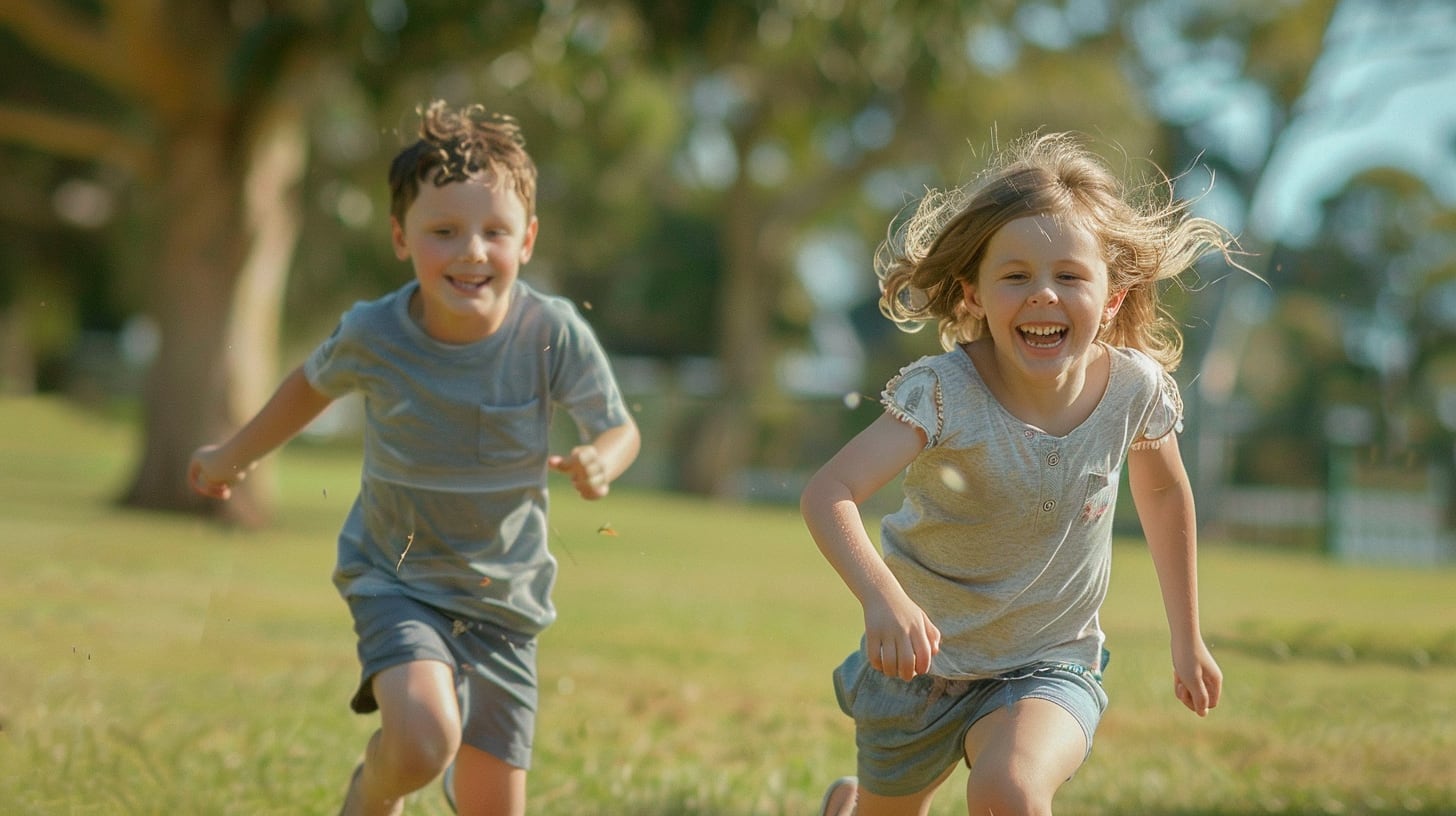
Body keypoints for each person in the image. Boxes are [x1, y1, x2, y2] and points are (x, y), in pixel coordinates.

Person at [188, 100, 641, 816]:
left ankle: (442, 765)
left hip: (505, 604)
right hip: (397, 579)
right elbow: (308, 388)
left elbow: (618, 428)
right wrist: (230, 457)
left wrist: (602, 460)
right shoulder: (376, 333)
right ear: (401, 237)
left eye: (495, 231)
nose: (472, 251)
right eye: (444, 231)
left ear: (527, 240)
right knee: (424, 741)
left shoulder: (549, 331)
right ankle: (373, 790)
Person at [801, 132, 1230, 816]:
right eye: (1016, 276)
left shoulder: (1135, 391)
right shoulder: (944, 393)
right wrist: (884, 600)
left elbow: (1162, 491)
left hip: (1048, 660)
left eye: (1070, 276)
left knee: (1010, 789)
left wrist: (1188, 635)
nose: (1043, 295)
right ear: (973, 293)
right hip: (918, 668)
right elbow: (830, 492)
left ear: (1113, 297)